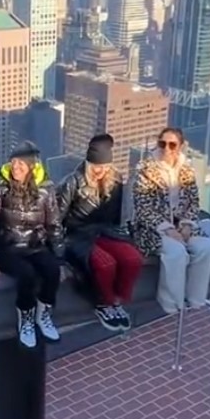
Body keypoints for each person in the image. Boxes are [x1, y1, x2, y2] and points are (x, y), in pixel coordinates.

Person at [0, 140, 64, 349]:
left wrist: (59, 257)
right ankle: (25, 319)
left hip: (36, 245)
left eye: (21, 165)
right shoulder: (2, 187)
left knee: (52, 270)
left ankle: (43, 315)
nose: (15, 168)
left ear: (33, 167)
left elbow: (54, 224)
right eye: (13, 163)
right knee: (26, 275)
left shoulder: (46, 189)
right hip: (7, 247)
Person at [57, 133, 142, 332]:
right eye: (96, 167)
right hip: (77, 236)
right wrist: (58, 254)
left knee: (133, 259)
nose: (100, 171)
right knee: (105, 264)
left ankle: (117, 301)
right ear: (88, 164)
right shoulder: (73, 183)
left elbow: (116, 216)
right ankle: (103, 302)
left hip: (105, 232)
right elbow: (56, 220)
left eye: (104, 167)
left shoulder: (115, 181)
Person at [132, 126, 210, 314]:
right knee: (176, 253)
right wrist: (168, 229)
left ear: (180, 146)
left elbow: (194, 202)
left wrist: (187, 224)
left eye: (172, 145)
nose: (166, 149)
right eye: (162, 144)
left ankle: (196, 300)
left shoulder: (186, 170)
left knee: (206, 247)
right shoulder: (145, 171)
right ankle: (171, 303)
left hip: (182, 226)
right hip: (151, 229)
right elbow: (143, 208)